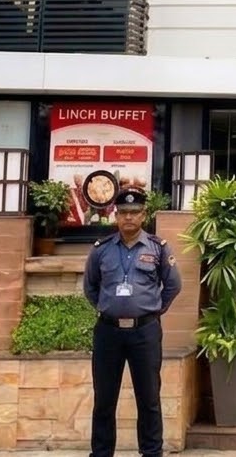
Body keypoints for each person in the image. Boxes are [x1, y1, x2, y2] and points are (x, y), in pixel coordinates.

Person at [84, 187, 183, 457]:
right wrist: (110, 310)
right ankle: (101, 453)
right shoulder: (101, 250)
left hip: (145, 333)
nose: (129, 217)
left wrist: (152, 310)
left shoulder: (158, 248)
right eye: (123, 212)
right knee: (104, 399)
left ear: (144, 215)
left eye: (134, 212)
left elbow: (173, 285)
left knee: (149, 398)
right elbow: (90, 287)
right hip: (108, 333)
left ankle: (152, 453)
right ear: (116, 215)